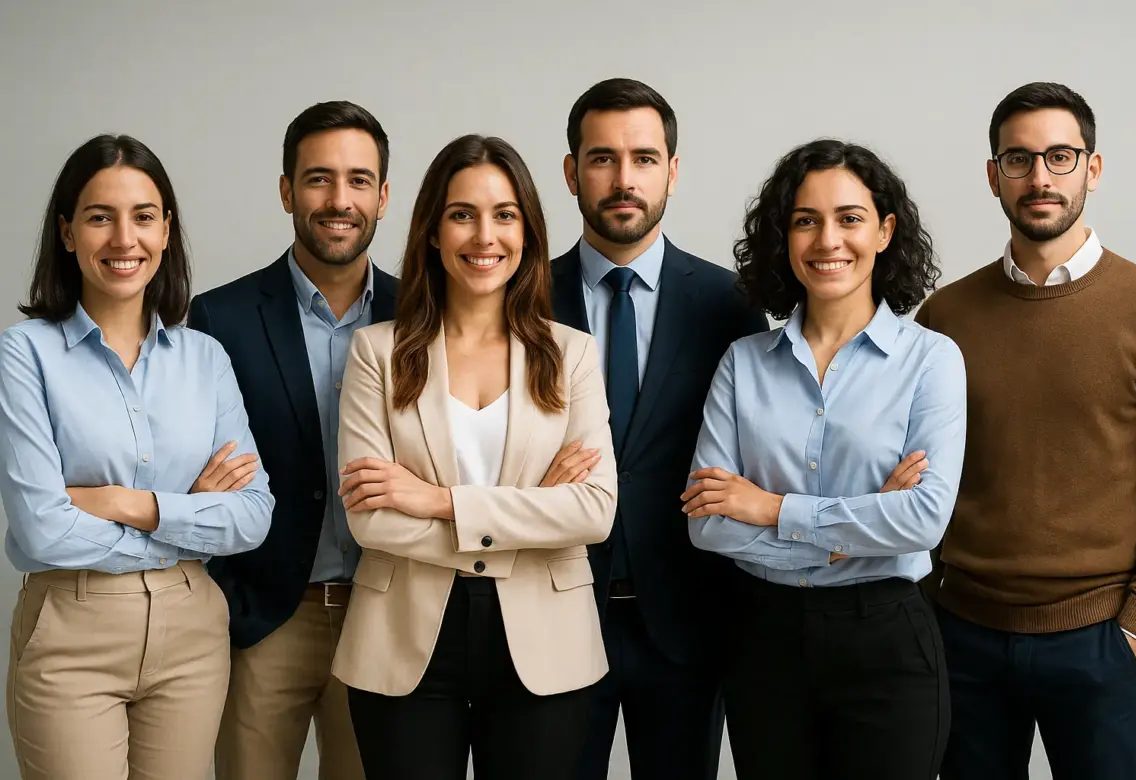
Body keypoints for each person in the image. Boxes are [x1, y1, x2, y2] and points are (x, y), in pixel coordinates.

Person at [332, 133, 618, 780]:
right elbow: (372, 519)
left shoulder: (571, 354)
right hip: (402, 644)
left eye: (505, 215)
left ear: (528, 233)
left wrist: (437, 502)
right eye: (462, 214)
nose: (484, 236)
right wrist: (534, 513)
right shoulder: (377, 352)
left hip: (547, 645)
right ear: (433, 231)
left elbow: (594, 512)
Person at [686, 138, 966, 780]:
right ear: (784, 237)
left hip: (887, 640)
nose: (827, 240)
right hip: (765, 640)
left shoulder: (931, 361)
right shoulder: (742, 363)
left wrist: (770, 507)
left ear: (885, 230)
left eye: (849, 218)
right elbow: (708, 524)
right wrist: (856, 533)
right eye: (805, 220)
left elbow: (923, 522)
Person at [0, 134, 274, 780]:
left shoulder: (204, 359)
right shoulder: (25, 355)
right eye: (100, 217)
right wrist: (185, 524)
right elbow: (42, 527)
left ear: (167, 231)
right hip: (73, 630)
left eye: (144, 216)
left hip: (192, 635)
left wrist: (129, 504)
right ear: (67, 233)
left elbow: (253, 515)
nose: (125, 239)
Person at [916, 81, 1136, 780]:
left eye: (1060, 157)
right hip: (961, 635)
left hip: (1097, 641)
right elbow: (914, 474)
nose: (1040, 178)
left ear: (1093, 167)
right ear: (993, 175)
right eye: (1019, 159)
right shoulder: (946, 316)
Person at [550, 76, 768, 780]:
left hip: (687, 621)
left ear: (672, 172)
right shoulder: (521, 297)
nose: (623, 179)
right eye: (602, 158)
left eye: (644, 159)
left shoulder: (728, 305)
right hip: (550, 613)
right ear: (571, 172)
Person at [185, 100, 397, 780]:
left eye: (359, 180)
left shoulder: (423, 312)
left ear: (384, 196)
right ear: (286, 190)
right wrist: (227, 600)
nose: (340, 200)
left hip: (386, 616)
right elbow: (197, 475)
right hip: (266, 620)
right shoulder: (220, 317)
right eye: (319, 178)